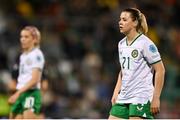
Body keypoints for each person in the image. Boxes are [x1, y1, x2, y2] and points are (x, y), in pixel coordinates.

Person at [108, 8, 165, 119]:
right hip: (124, 96)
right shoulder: (121, 44)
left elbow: (160, 70)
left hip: (141, 96)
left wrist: (156, 98)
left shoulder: (145, 43)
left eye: (124, 19)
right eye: (120, 19)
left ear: (134, 22)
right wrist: (116, 92)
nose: (120, 22)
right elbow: (123, 70)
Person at [8, 26, 45, 119]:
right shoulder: (23, 56)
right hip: (20, 93)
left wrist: (17, 93)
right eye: (21, 36)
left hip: (31, 94)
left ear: (34, 39)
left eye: (26, 37)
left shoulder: (37, 55)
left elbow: (34, 80)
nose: (22, 39)